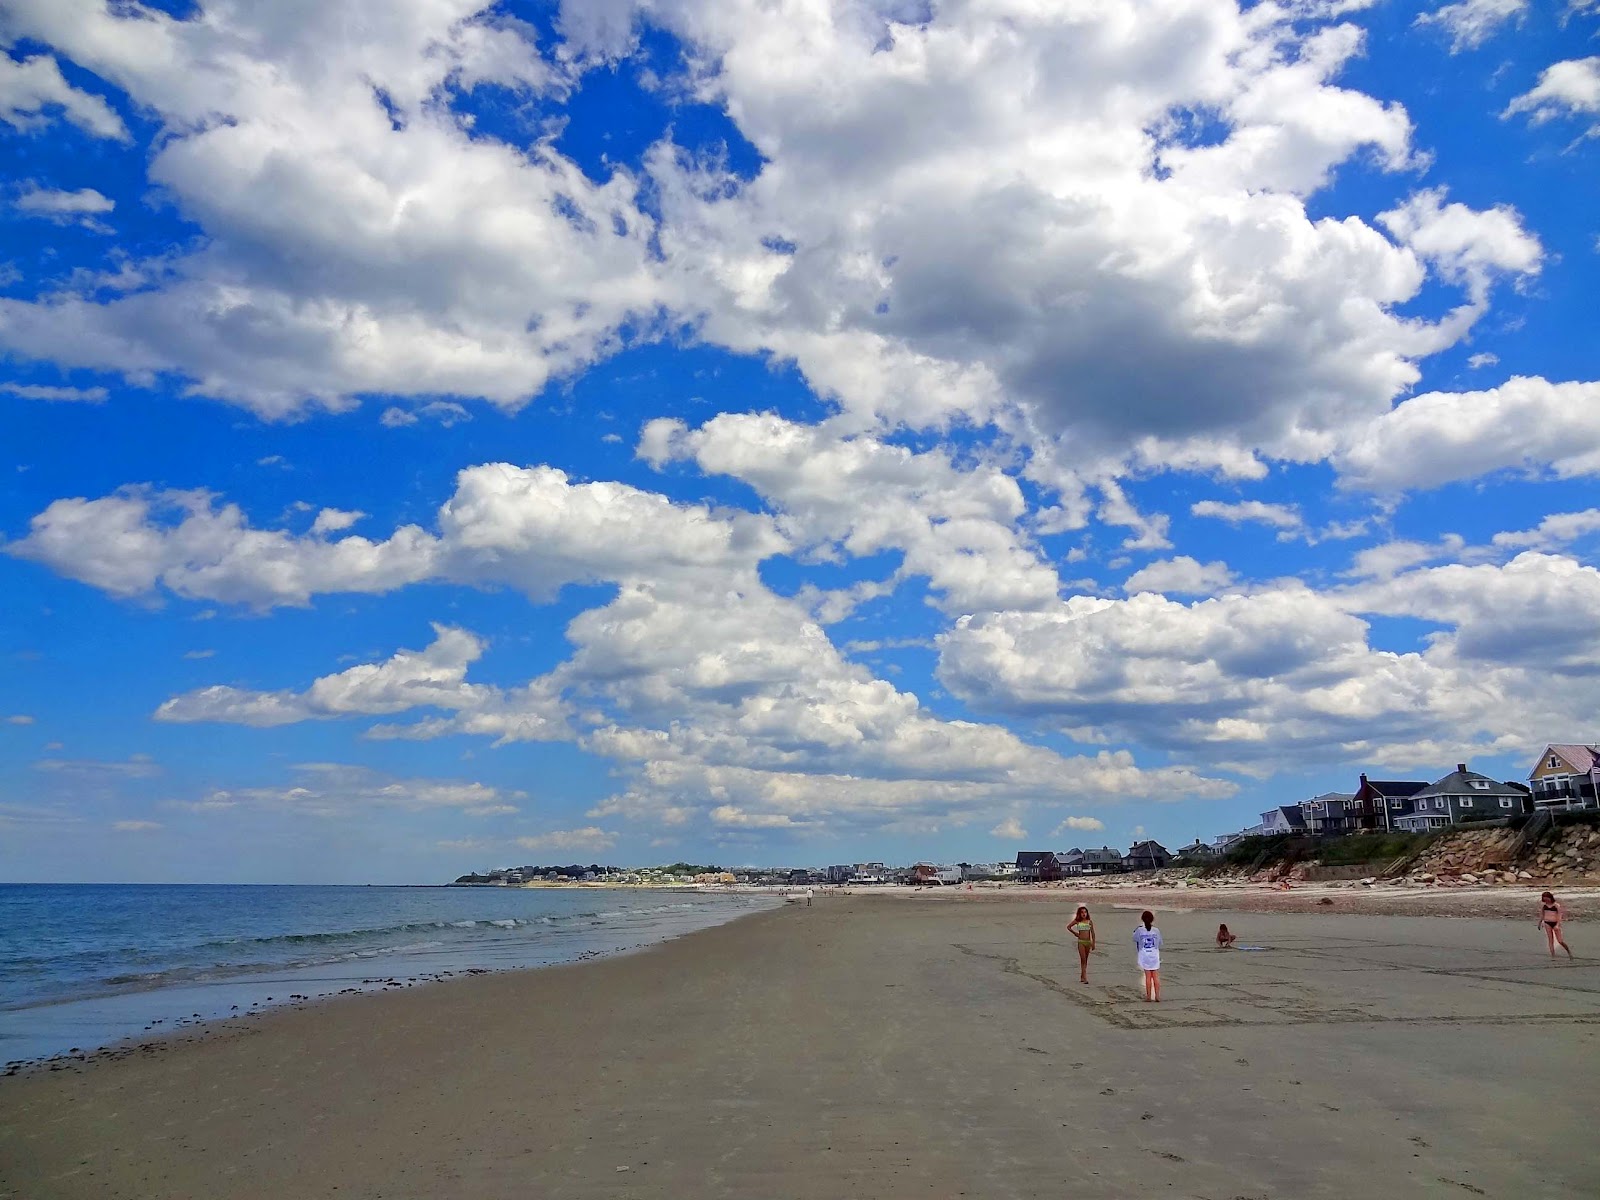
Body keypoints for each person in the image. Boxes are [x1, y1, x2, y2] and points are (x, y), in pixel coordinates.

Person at [1133, 910, 1162, 1002]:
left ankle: (1149, 996)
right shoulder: (1156, 930)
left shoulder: (1140, 930)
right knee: (1155, 976)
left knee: (1148, 976)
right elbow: (1159, 942)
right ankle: (1157, 996)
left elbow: (1135, 938)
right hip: (1154, 953)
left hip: (1145, 954)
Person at [1538, 892, 1573, 960]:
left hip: (1555, 923)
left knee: (1560, 941)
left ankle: (1569, 952)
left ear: (1550, 897)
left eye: (1547, 898)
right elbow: (1542, 915)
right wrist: (1539, 923)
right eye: (1544, 899)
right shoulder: (1544, 906)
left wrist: (1557, 924)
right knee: (1550, 940)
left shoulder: (1556, 905)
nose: (1546, 900)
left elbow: (1559, 915)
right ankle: (1553, 956)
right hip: (1547, 922)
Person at [1067, 905, 1096, 983]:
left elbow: (1092, 933)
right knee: (1083, 959)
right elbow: (1068, 927)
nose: (1084, 914)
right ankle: (1085, 977)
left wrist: (1093, 943)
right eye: (1082, 912)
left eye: (1085, 912)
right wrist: (1075, 933)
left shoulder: (1089, 921)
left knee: (1086, 960)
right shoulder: (1077, 921)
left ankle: (1082, 976)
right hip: (1081, 942)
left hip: (1088, 942)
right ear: (1079, 914)